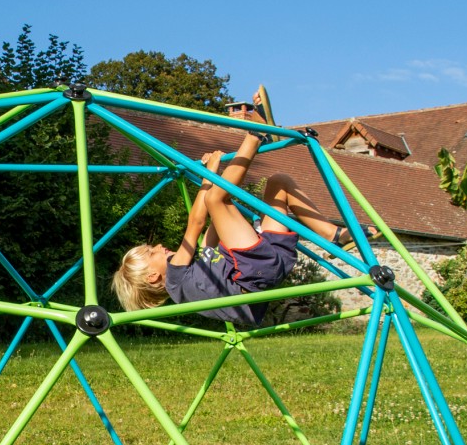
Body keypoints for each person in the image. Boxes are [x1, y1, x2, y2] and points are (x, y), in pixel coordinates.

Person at [112, 90, 363, 326]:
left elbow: (210, 229)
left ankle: (333, 235)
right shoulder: (176, 279)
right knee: (215, 200)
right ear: (152, 277)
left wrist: (213, 181)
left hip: (265, 262)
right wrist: (209, 173)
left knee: (279, 182)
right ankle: (255, 135)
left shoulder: (191, 273)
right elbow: (196, 223)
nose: (158, 247)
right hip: (252, 275)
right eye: (151, 253)